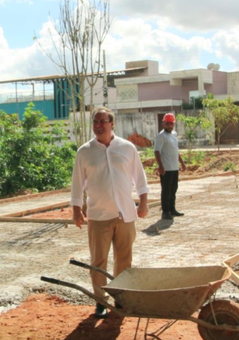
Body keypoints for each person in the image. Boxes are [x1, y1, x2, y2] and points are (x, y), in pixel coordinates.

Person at [71, 106, 149, 318]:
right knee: (98, 261)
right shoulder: (84, 152)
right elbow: (77, 183)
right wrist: (76, 209)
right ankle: (100, 302)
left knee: (124, 260)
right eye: (95, 122)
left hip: (125, 214)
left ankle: (121, 298)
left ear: (112, 124)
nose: (97, 125)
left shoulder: (127, 148)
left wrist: (143, 202)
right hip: (98, 217)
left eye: (102, 121)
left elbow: (139, 178)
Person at [154, 113, 186, 220]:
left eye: (171, 123)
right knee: (166, 190)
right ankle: (165, 211)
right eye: (167, 123)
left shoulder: (174, 134)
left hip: (174, 168)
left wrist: (182, 163)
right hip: (166, 169)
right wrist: (161, 166)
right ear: (163, 123)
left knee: (173, 189)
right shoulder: (161, 136)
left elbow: (176, 151)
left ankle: (172, 209)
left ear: (174, 124)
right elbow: (157, 151)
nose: (169, 125)